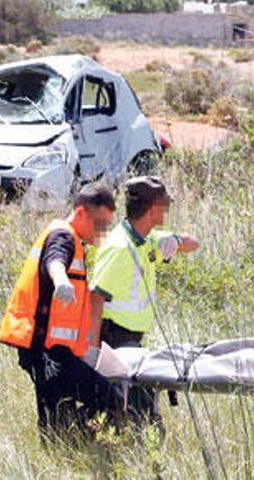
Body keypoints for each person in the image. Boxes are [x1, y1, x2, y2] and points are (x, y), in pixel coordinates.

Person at [0, 182, 126, 435]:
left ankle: (66, 448)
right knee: (110, 400)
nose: (102, 232)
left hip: (43, 349)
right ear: (81, 213)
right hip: (47, 352)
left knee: (54, 420)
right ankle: (93, 444)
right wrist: (61, 280)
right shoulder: (63, 236)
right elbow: (55, 260)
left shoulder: (69, 237)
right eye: (100, 224)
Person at [89, 176, 200, 424]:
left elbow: (195, 243)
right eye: (165, 205)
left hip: (130, 340)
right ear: (153, 209)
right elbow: (95, 300)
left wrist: (176, 241)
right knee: (143, 416)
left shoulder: (145, 239)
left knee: (135, 412)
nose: (168, 210)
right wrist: (93, 353)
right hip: (115, 339)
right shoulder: (119, 248)